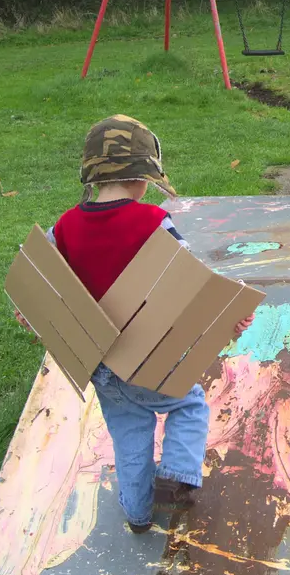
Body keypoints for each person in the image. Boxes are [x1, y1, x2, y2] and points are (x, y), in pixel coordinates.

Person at [46, 114, 252, 533]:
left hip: (102, 365)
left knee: (129, 435)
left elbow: (47, 282)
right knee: (189, 404)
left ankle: (138, 513)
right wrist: (227, 316)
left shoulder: (64, 227)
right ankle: (176, 474)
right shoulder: (152, 223)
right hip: (150, 357)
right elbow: (190, 283)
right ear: (142, 177)